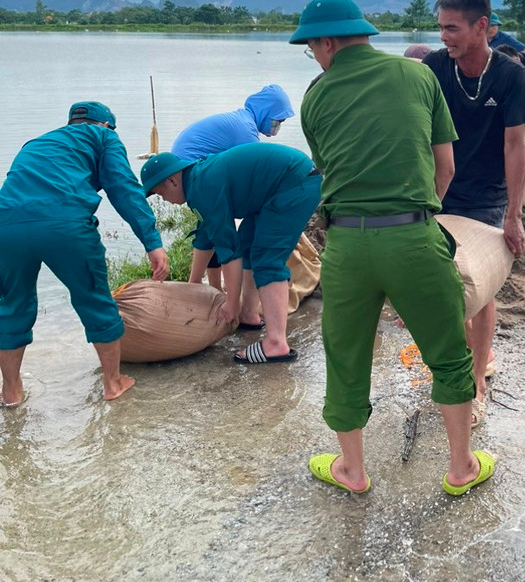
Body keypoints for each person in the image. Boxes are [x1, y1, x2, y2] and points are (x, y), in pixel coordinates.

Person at [292, 0, 494, 496]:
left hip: (347, 246)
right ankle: (460, 469)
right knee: (448, 354)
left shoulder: (314, 97)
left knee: (346, 357)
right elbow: (444, 166)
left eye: (311, 47)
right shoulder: (420, 75)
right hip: (413, 236)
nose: (314, 56)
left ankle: (353, 471)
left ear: (327, 42)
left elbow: (330, 171)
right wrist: (424, 218)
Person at [0, 102, 169, 407]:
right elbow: (124, 189)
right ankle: (113, 384)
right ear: (105, 125)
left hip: (7, 225)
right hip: (65, 224)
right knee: (94, 299)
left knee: (12, 305)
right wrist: (152, 242)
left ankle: (11, 392)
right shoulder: (104, 137)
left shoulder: (36, 143)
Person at [424, 0, 525, 427]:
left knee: (481, 286)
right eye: (441, 28)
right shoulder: (433, 67)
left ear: (481, 26)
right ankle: (458, 360)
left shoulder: (511, 74)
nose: (444, 36)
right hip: (437, 189)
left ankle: (477, 378)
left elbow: (515, 146)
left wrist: (514, 214)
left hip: (487, 193)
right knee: (438, 280)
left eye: (452, 28)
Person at [140, 144, 321, 364]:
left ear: (172, 181)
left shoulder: (202, 187)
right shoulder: (197, 182)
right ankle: (249, 315)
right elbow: (207, 236)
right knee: (247, 241)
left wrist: (230, 304)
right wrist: (193, 283)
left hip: (294, 183)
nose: (164, 200)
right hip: (281, 184)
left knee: (267, 258)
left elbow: (228, 251)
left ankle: (276, 344)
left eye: (160, 194)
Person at [171, 84, 295, 330]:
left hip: (186, 169)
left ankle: (215, 289)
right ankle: (195, 284)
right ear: (265, 112)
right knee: (213, 227)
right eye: (275, 121)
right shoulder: (246, 132)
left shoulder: (243, 122)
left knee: (216, 227)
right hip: (186, 173)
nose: (276, 128)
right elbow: (254, 180)